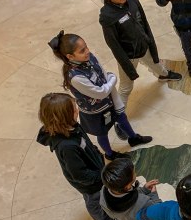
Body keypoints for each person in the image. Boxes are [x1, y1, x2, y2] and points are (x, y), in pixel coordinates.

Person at [48, 31, 152, 160]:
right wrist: (113, 79)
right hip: (95, 112)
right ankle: (109, 154)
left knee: (122, 117)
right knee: (102, 132)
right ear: (70, 56)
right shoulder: (75, 77)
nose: (87, 51)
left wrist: (113, 93)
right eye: (82, 51)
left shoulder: (89, 57)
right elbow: (100, 92)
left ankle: (133, 138)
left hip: (109, 101)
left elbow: (103, 75)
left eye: (86, 47)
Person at [99, 0, 181, 109]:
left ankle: (164, 75)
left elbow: (144, 22)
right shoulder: (107, 16)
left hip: (143, 46)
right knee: (126, 87)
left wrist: (150, 43)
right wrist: (128, 67)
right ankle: (120, 115)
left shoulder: (132, 0)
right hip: (129, 56)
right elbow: (114, 45)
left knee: (155, 63)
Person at [37, 93, 118, 220]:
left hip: (96, 171)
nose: (78, 110)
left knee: (101, 194)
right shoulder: (67, 147)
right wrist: (101, 177)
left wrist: (96, 153)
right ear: (65, 117)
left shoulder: (73, 126)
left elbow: (85, 142)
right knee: (94, 201)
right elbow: (80, 175)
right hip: (89, 184)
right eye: (74, 110)